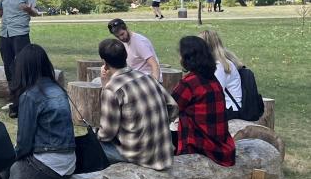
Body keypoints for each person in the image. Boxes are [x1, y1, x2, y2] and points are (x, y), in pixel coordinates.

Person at [97, 37, 177, 170]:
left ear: (105, 63)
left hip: (140, 156)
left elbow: (107, 133)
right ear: (125, 56)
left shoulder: (113, 89)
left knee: (94, 145)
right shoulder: (147, 78)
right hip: (164, 152)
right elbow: (173, 107)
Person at [4, 44, 76, 179]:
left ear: (23, 68)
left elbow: (24, 143)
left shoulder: (31, 96)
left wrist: (8, 159)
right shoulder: (59, 90)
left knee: (8, 167)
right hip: (69, 165)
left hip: (49, 166)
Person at [172, 36, 235, 167]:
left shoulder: (189, 83)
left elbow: (169, 108)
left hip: (199, 146)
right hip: (222, 147)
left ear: (187, 57)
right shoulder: (213, 80)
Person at [0, 0, 39, 115]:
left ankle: (23, 96)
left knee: (21, 65)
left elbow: (35, 13)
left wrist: (29, 9)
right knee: (8, 65)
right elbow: (0, 11)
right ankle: (13, 96)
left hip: (20, 34)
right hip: (4, 34)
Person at [199, 28, 243, 118]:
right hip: (223, 107)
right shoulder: (216, 64)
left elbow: (215, 93)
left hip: (230, 109)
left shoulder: (220, 66)